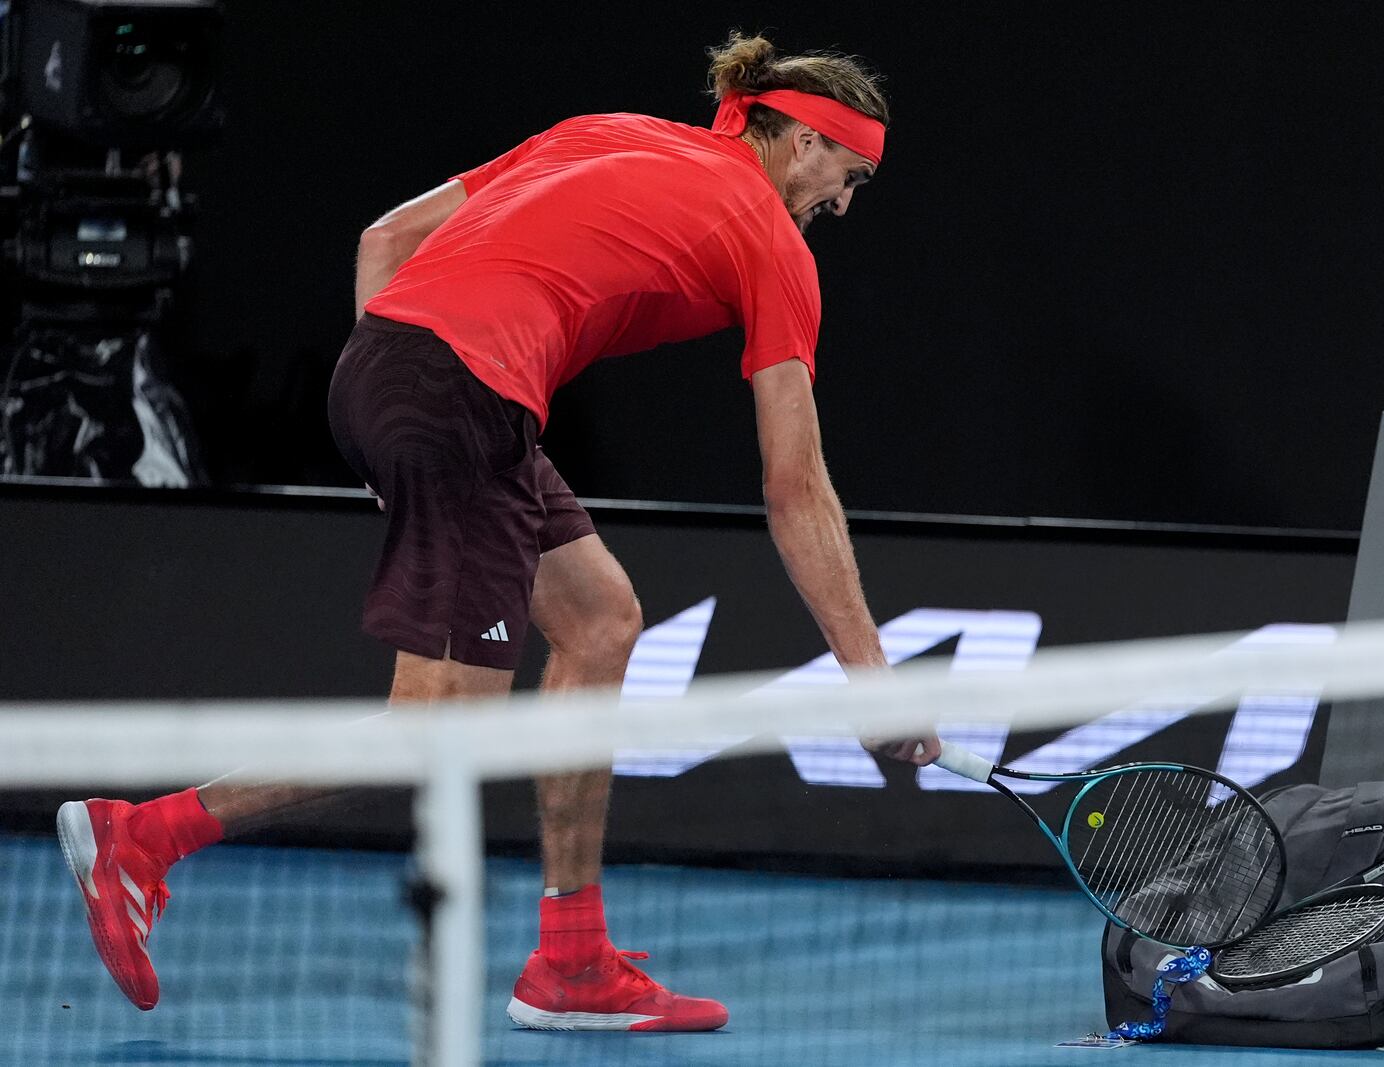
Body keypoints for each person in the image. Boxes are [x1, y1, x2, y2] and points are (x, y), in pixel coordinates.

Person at [57, 31, 941, 1033]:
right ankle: (142, 836)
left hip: (394, 366)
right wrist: (870, 674)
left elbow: (384, 244)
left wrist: (389, 428)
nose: (844, 204)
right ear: (806, 140)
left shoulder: (608, 131)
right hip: (460, 395)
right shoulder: (773, 245)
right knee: (434, 733)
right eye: (850, 175)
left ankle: (571, 960)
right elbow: (797, 488)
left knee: (601, 617)